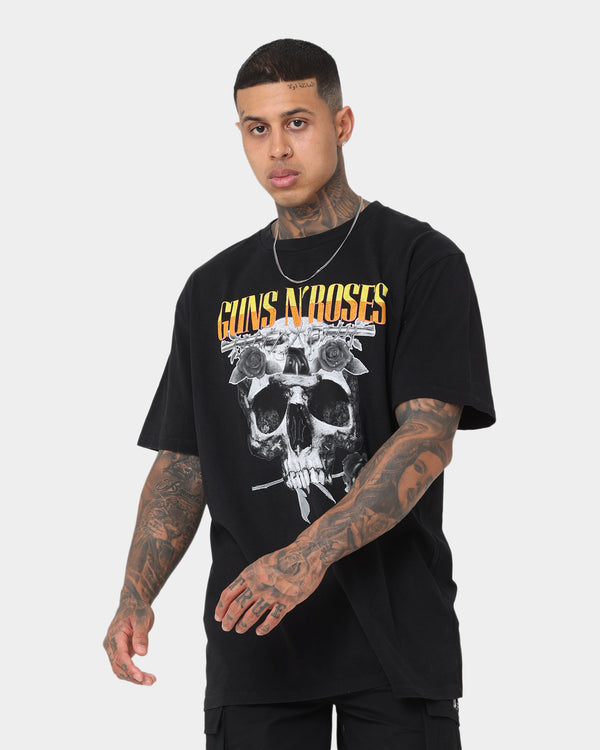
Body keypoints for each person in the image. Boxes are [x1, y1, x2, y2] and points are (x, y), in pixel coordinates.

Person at [103, 38, 495, 750]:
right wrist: (136, 594)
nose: (278, 148)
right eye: (258, 128)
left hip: (396, 639)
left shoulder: (419, 260)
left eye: (297, 122)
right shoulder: (210, 289)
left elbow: (427, 437)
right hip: (254, 643)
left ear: (342, 125)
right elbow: (184, 461)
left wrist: (306, 555)